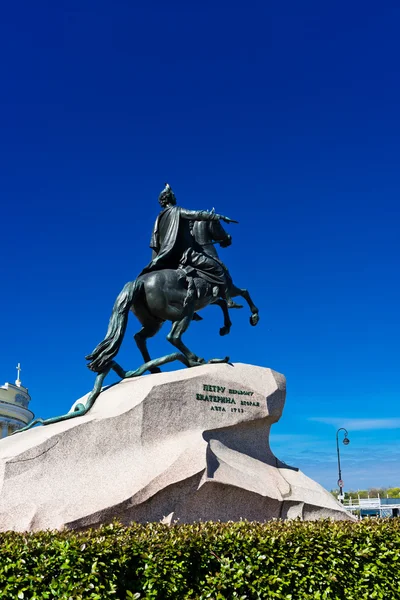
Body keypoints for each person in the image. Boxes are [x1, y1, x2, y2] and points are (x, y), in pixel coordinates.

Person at [140, 183, 235, 302]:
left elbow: (154, 243)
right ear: (170, 198)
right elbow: (196, 215)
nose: (175, 197)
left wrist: (154, 262)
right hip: (184, 255)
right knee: (217, 268)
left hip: (168, 258)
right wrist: (217, 217)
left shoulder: (158, 218)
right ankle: (229, 299)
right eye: (173, 195)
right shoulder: (176, 211)